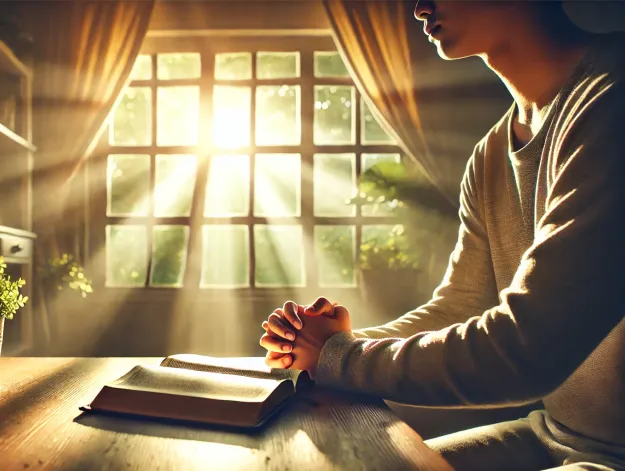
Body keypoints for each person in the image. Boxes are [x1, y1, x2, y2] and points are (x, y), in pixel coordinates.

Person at [259, 1, 625, 470]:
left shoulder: (612, 100)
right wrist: (322, 349)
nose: (418, 7)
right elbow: (460, 306)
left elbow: (527, 348)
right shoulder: (491, 153)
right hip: (553, 434)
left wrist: (339, 357)